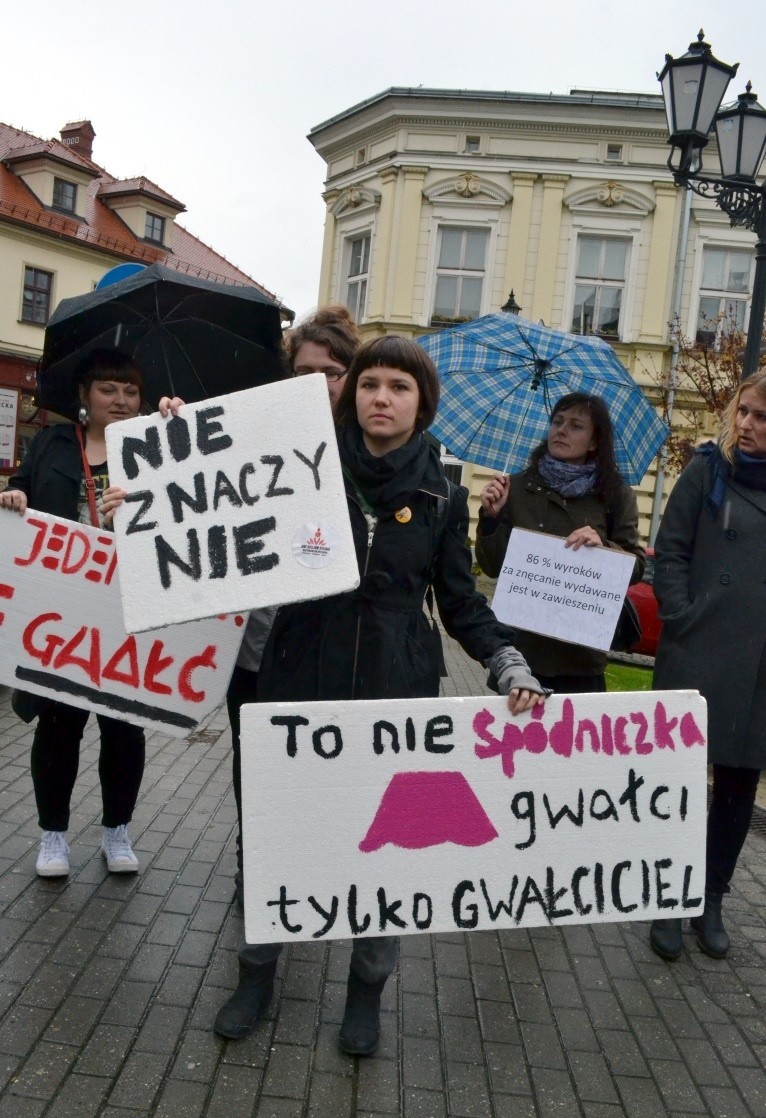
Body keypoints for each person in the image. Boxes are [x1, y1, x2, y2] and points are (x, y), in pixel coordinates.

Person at [213, 334, 547, 1056]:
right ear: (352, 394)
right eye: (370, 384)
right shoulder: (298, 469)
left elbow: (460, 603)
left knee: (383, 848)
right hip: (297, 680)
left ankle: (367, 988)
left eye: (398, 386)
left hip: (394, 697)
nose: (381, 398)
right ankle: (257, 971)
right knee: (277, 837)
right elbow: (221, 520)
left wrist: (508, 664)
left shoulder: (441, 497)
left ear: (421, 405)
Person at [0, 349, 181, 879]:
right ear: (85, 396)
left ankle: (116, 831)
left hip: (130, 610)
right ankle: (53, 835)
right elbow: (26, 496)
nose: (121, 400)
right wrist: (13, 495)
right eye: (109, 390)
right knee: (59, 727)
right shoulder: (54, 443)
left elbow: (185, 507)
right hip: (62, 613)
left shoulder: (157, 446)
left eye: (130, 391)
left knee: (125, 729)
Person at [226, 305, 362, 907]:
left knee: (316, 767)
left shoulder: (369, 451)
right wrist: (176, 434)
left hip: (329, 647)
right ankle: (254, 861)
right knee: (251, 763)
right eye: (304, 370)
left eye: (332, 372)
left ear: (352, 378)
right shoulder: (253, 432)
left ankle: (306, 865)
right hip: (256, 644)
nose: (318, 383)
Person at [648, 371, 766, 963]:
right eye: (742, 411)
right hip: (698, 651)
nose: (745, 425)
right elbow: (668, 551)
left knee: (738, 786)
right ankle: (668, 895)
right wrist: (683, 615)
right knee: (682, 781)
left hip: (759, 668)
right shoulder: (706, 471)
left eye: (760, 417)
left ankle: (710, 897)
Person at [475, 392, 645, 693]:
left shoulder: (615, 494)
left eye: (576, 425)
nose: (561, 430)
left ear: (594, 441)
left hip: (580, 657)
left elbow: (636, 565)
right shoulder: (516, 487)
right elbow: (491, 566)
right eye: (557, 421)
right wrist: (490, 518)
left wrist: (605, 547)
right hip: (521, 652)